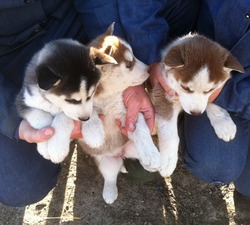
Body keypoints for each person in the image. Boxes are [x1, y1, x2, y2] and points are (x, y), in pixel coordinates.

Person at [0, 0, 199, 207]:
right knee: (19, 186)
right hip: (7, 54)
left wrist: (125, 78)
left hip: (68, 20)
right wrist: (14, 122)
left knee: (182, 6)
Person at [152, 0, 250, 199]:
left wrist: (219, 96)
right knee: (216, 165)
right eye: (187, 90)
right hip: (208, 59)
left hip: (238, 89)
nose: (197, 107)